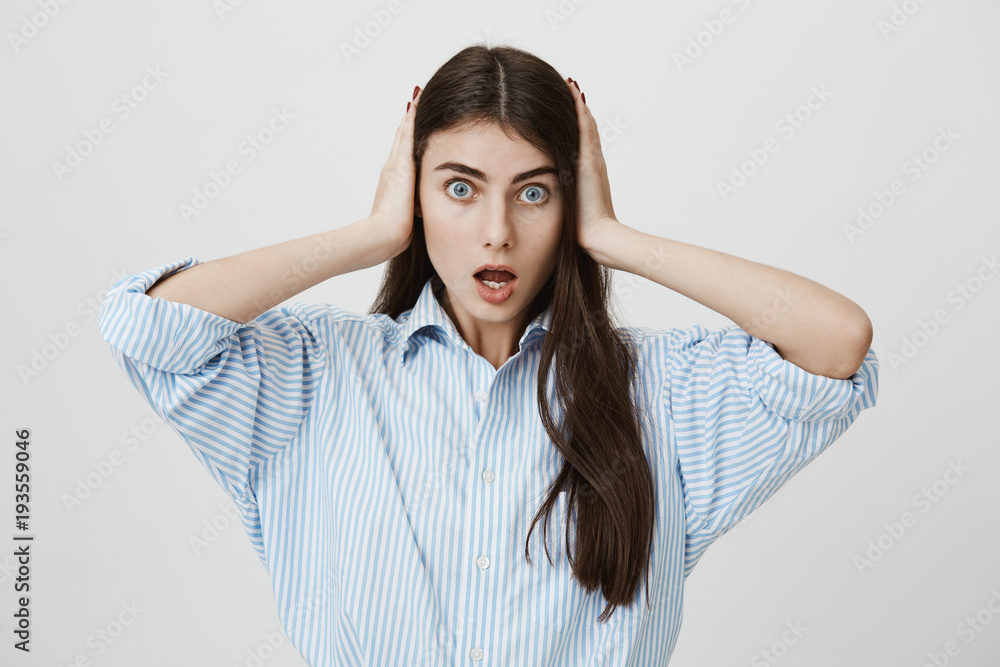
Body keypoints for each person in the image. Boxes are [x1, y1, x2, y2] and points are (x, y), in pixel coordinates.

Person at [98, 43, 879, 666]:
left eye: (533, 191)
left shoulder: (657, 392)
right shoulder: (316, 373)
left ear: (571, 199)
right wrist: (371, 235)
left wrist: (614, 239)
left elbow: (834, 341)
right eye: (460, 188)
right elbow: (150, 329)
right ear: (413, 193)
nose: (497, 231)